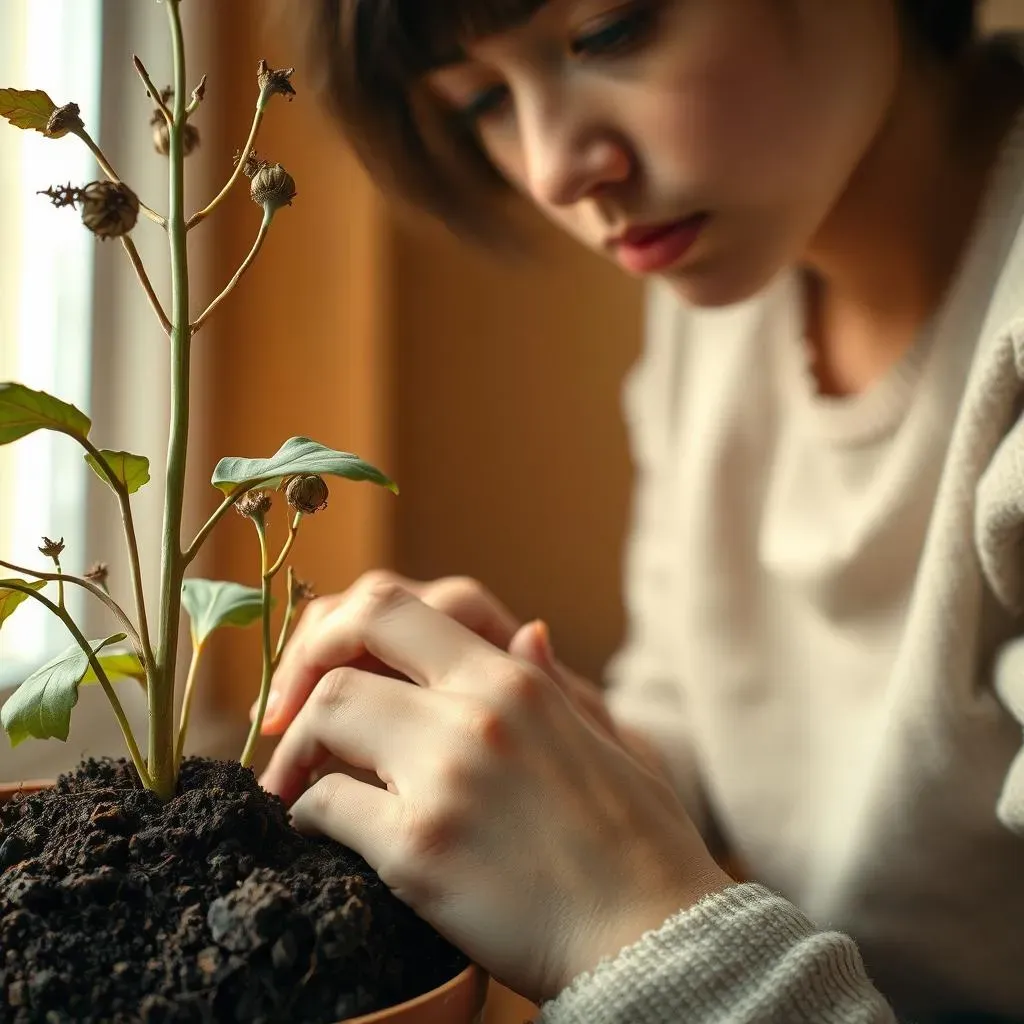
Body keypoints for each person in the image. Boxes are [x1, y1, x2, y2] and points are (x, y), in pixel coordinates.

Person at [256, 1, 1024, 1020]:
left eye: (611, 31)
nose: (552, 170)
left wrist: (629, 933)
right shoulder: (722, 306)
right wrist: (566, 738)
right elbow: (704, 727)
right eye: (482, 99)